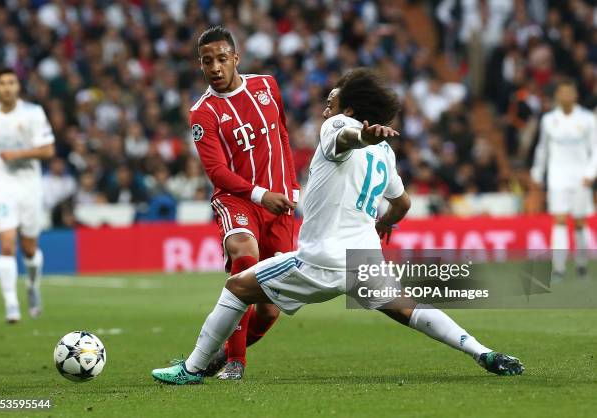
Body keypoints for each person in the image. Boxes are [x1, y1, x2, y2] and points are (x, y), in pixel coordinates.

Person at [152, 69, 524, 385]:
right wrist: (382, 224)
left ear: (348, 108)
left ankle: (192, 368)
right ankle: (483, 352)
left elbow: (347, 138)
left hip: (321, 259)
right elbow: (403, 204)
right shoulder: (385, 152)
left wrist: (362, 135)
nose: (324, 107)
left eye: (331, 101)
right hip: (364, 258)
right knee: (409, 309)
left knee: (236, 287)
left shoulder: (339, 126)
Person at [188, 26, 300, 380]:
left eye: (222, 59)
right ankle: (236, 363)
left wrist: (291, 187)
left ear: (236, 58)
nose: (216, 68)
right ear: (201, 65)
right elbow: (216, 171)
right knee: (244, 256)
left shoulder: (267, 86)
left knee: (269, 311)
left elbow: (282, 132)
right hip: (238, 200)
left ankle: (225, 352)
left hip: (279, 204)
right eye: (208, 62)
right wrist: (259, 194)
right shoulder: (202, 113)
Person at [0, 68, 55, 323]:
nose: (6, 87)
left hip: (29, 186)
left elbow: (48, 150)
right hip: (1, 186)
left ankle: (32, 286)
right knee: (6, 244)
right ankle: (11, 304)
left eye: (11, 82)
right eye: (1, 83)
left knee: (29, 248)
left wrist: (17, 155)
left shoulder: (33, 113)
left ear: (18, 87)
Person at [531, 79, 597, 283]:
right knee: (559, 221)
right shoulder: (549, 120)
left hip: (580, 176)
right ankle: (558, 268)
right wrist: (537, 172)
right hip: (557, 176)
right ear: (558, 96)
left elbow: (595, 148)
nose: (566, 96)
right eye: (563, 93)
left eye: (570, 92)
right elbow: (542, 148)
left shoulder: (587, 119)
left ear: (575, 95)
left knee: (579, 222)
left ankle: (581, 264)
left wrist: (590, 173)